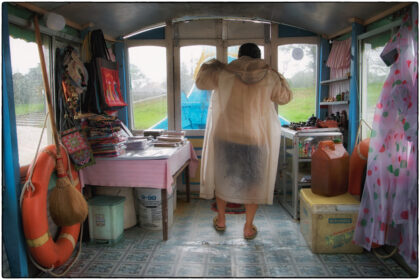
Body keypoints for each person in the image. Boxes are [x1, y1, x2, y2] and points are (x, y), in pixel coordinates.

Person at [195, 43, 292, 239]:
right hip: (254, 138)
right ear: (259, 57)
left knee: (223, 178)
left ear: (239, 56)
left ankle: (221, 220)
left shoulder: (224, 73)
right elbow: (285, 97)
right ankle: (248, 228)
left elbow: (200, 82)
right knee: (253, 184)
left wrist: (213, 65)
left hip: (226, 136)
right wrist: (278, 75)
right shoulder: (269, 76)